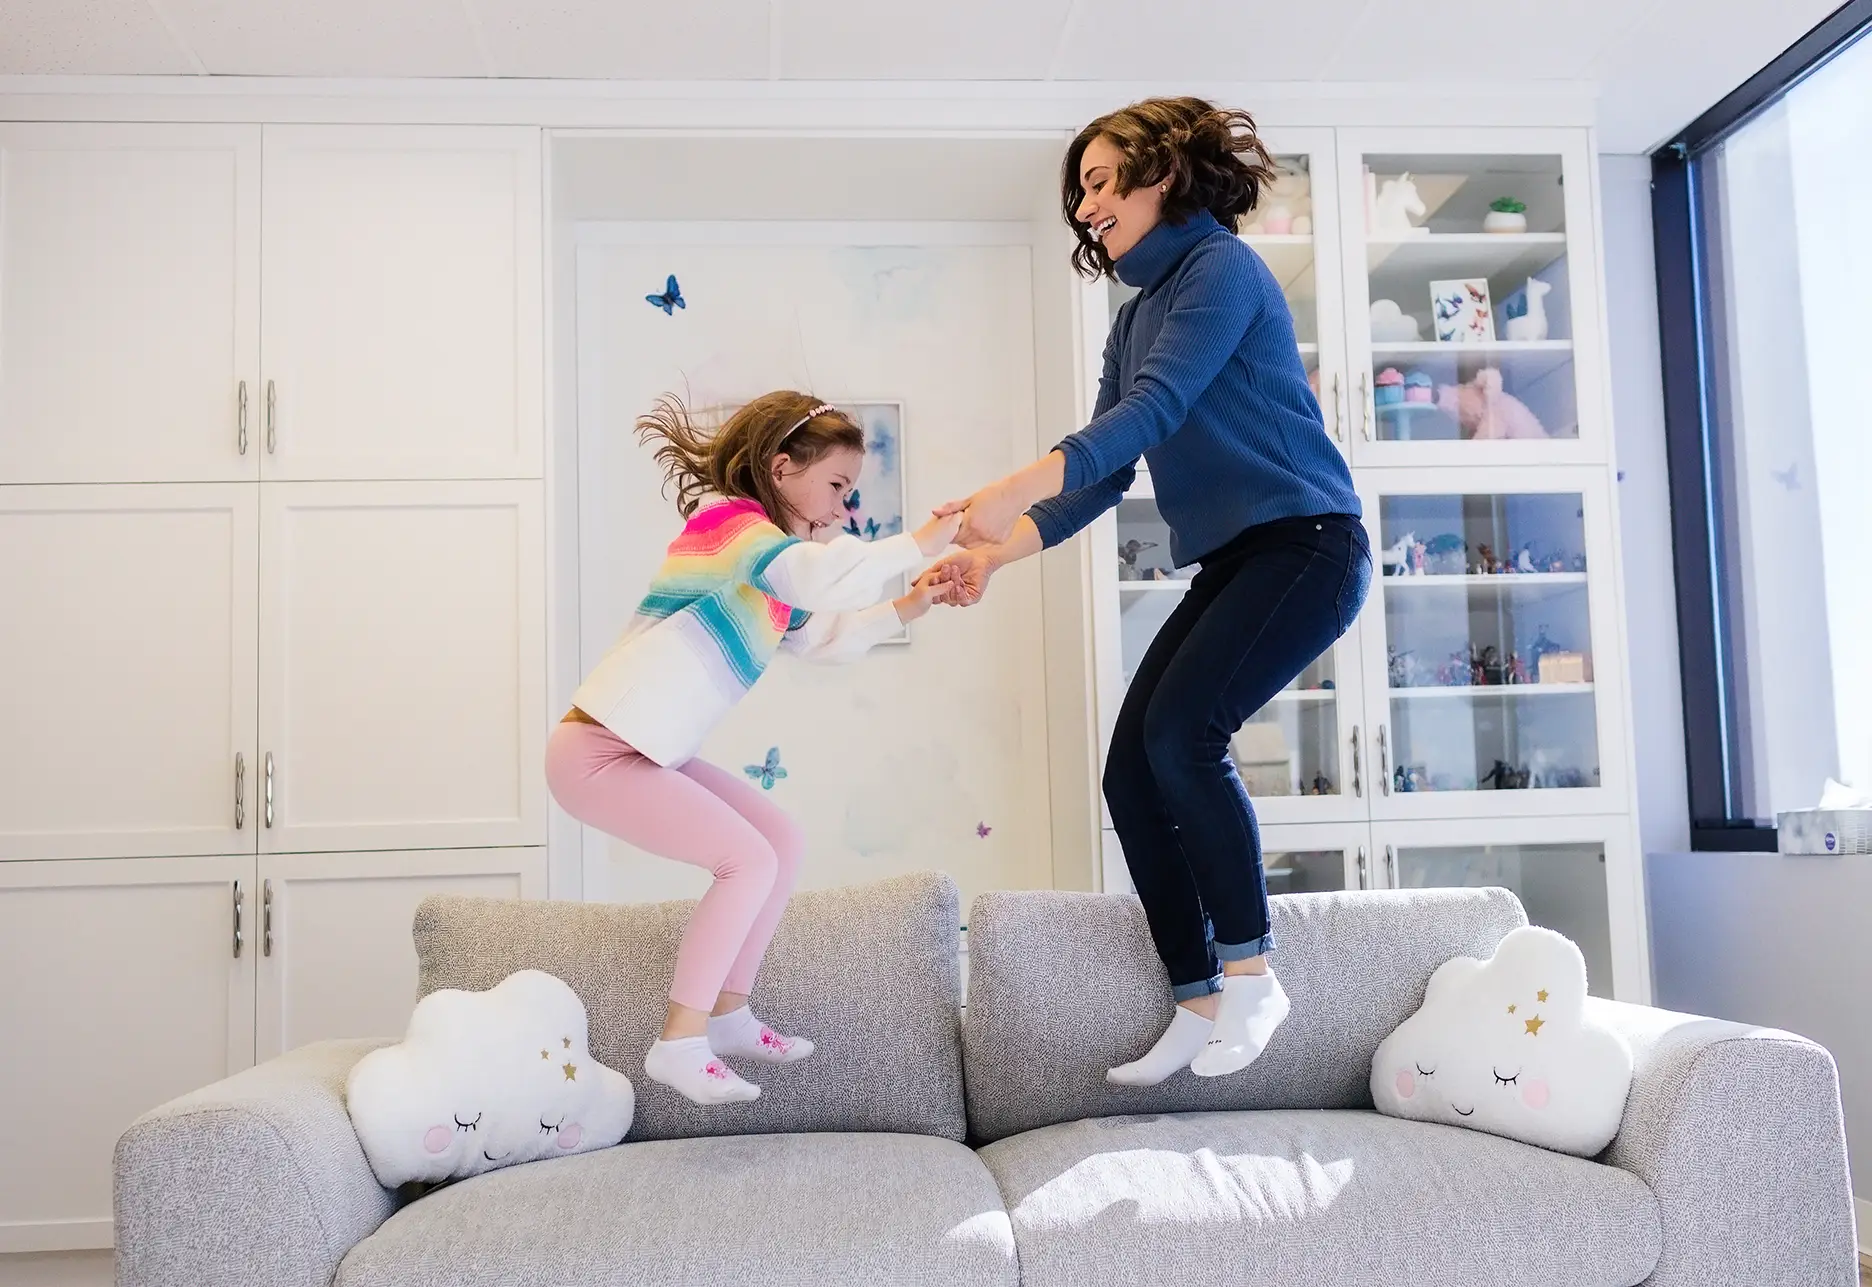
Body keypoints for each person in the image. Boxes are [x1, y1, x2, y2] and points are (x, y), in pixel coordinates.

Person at [935, 98, 1372, 1086]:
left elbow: (1158, 410)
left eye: (1100, 180)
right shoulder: (1135, 319)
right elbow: (1105, 473)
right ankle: (1198, 994)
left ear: (1164, 174)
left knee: (1183, 739)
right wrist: (997, 555)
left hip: (1308, 545)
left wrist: (1007, 490)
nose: (1086, 205)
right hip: (1238, 560)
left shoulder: (1221, 269)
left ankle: (1255, 972)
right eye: (1078, 191)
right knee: (1132, 774)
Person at [548, 391, 959, 1105]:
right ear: (780, 467)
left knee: (780, 838)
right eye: (836, 487)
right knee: (748, 859)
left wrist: (912, 601)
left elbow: (824, 636)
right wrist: (920, 540)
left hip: (645, 752)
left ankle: (730, 1011)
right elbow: (819, 573)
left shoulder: (772, 576)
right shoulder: (730, 529)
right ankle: (681, 1039)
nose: (839, 510)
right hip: (597, 751)